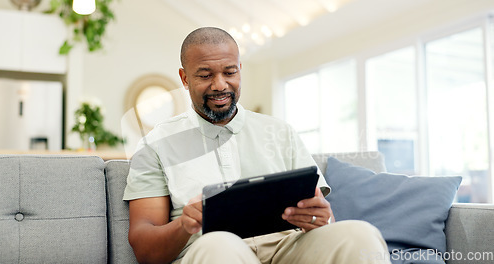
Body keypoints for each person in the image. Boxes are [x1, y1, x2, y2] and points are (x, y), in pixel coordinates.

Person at [123, 27, 390, 264]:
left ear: (240, 69)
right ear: (184, 78)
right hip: (211, 252)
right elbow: (145, 250)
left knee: (360, 234)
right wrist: (184, 224)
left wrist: (320, 219)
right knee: (219, 244)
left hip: (287, 248)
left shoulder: (280, 131)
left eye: (230, 72)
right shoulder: (155, 144)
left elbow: (320, 217)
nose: (220, 85)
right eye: (205, 75)